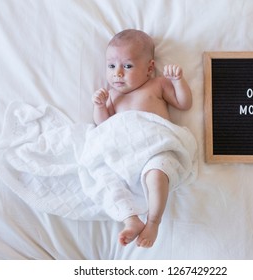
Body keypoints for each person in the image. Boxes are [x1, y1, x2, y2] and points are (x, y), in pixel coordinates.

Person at [92, 29, 192, 248]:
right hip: (121, 154)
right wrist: (100, 106)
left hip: (153, 148)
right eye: (111, 66)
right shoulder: (113, 94)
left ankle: (153, 222)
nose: (117, 73)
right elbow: (103, 125)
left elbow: (184, 104)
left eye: (127, 66)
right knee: (107, 180)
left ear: (149, 68)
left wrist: (178, 81)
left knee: (157, 174)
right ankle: (131, 220)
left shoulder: (157, 85)